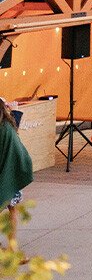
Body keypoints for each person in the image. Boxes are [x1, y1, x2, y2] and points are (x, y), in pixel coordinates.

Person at [1, 97, 34, 251]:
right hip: (9, 176)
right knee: (12, 208)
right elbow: (14, 143)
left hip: (5, 174)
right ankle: (12, 247)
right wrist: (15, 112)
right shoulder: (7, 127)